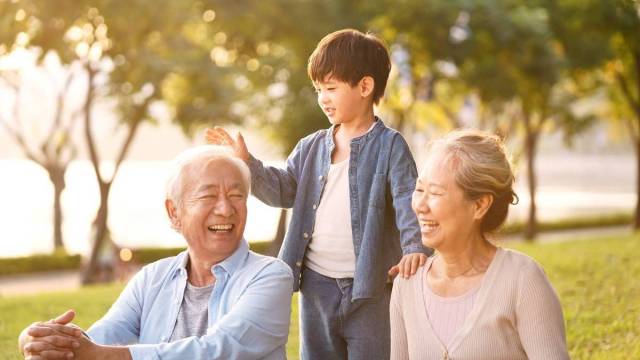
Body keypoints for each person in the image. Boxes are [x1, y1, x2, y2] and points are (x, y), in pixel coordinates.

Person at [206, 29, 431, 360]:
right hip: (316, 287)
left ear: (365, 87)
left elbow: (406, 200)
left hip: (369, 290)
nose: (323, 98)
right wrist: (247, 163)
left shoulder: (390, 146)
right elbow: (283, 191)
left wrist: (414, 248)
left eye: (331, 88)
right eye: (318, 90)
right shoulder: (310, 146)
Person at [18, 145, 294, 360]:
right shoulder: (152, 277)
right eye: (209, 195)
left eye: (236, 196)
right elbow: (102, 336)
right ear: (174, 212)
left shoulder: (270, 276)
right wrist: (40, 339)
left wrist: (100, 355)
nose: (226, 208)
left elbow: (218, 351)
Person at [390, 130, 570, 359]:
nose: (420, 206)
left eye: (435, 193)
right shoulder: (407, 284)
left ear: (480, 205)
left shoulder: (523, 280)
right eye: (419, 190)